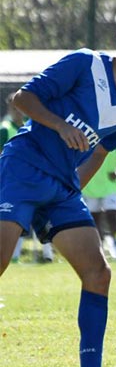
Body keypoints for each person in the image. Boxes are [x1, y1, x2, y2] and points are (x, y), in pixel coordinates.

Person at [0, 10, 116, 367]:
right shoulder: (84, 62)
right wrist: (60, 125)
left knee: (98, 273)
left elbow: (100, 152)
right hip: (24, 167)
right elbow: (23, 98)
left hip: (62, 189)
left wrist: (74, 190)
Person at [1, 93, 55, 263]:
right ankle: (14, 257)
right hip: (12, 181)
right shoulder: (5, 129)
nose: (18, 111)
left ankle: (48, 255)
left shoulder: (30, 128)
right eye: (14, 108)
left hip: (33, 180)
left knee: (41, 216)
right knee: (16, 218)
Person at [82, 139, 116, 261]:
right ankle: (99, 252)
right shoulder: (88, 130)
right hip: (90, 184)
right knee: (94, 220)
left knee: (112, 216)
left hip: (110, 184)